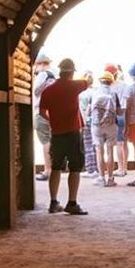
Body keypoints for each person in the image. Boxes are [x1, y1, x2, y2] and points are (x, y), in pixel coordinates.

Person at [37, 58, 91, 215]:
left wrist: (53, 120)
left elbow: (41, 112)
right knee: (75, 168)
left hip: (57, 133)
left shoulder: (48, 90)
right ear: (72, 72)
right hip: (73, 133)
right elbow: (88, 81)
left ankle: (53, 202)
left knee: (55, 167)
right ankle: (72, 203)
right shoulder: (75, 86)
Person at [88, 70, 121, 186]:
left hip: (97, 125)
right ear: (111, 82)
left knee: (99, 151)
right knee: (110, 151)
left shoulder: (94, 93)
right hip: (111, 125)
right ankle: (111, 178)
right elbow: (119, 112)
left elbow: (88, 112)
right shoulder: (114, 94)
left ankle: (101, 178)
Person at [31, 54, 55, 181]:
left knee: (45, 141)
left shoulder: (43, 75)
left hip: (41, 111)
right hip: (51, 111)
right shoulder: (53, 77)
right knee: (50, 140)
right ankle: (52, 168)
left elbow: (35, 91)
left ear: (40, 64)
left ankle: (48, 170)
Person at [104, 64, 129, 177]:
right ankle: (125, 167)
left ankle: (120, 169)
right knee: (124, 143)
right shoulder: (124, 85)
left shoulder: (109, 87)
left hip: (115, 114)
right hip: (125, 114)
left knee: (118, 143)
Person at [78, 70, 97, 177]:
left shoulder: (81, 94)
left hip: (85, 121)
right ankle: (98, 168)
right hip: (96, 121)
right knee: (96, 146)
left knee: (88, 145)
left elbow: (80, 109)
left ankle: (90, 169)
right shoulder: (95, 92)